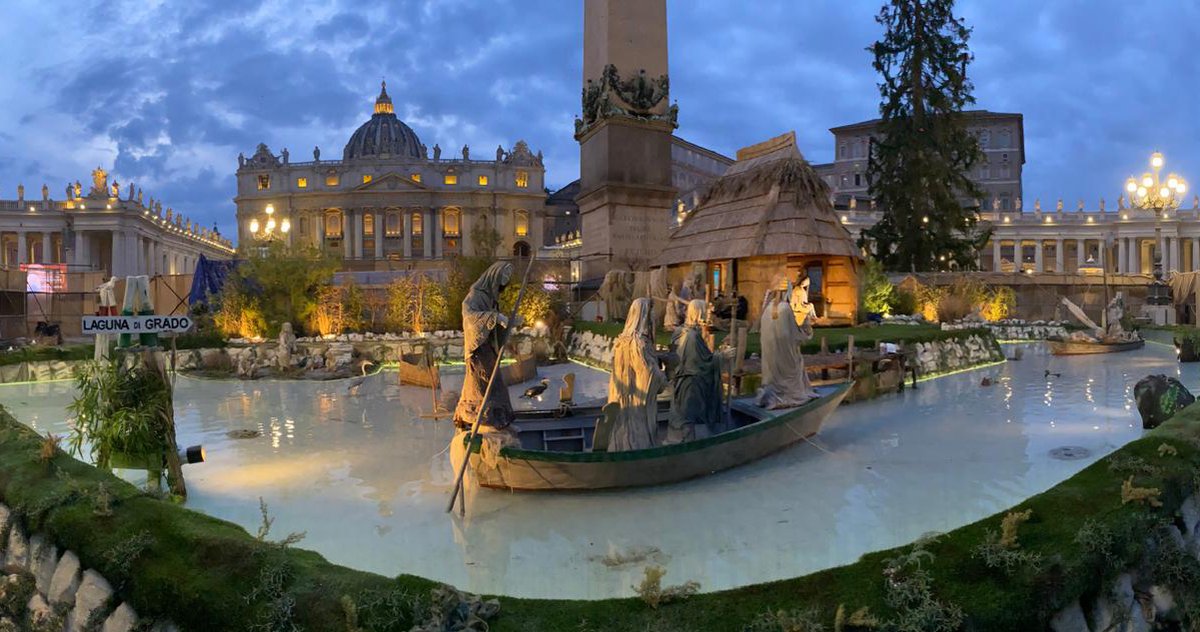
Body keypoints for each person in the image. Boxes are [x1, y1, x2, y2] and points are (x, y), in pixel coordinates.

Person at [454, 262, 521, 432]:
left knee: (495, 384)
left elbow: (494, 325)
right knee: (482, 385)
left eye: (507, 278)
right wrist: (495, 318)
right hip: (478, 352)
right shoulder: (475, 295)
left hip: (488, 349)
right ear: (493, 276)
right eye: (503, 277)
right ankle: (479, 418)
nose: (504, 282)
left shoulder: (491, 299)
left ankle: (498, 419)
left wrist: (507, 322)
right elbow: (469, 317)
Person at [607, 298, 666, 451]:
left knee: (623, 430)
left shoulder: (621, 341)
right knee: (636, 434)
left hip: (622, 400)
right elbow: (649, 377)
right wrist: (664, 377)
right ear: (645, 317)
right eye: (652, 315)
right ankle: (638, 451)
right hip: (637, 404)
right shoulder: (640, 344)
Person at [666, 300, 722, 444]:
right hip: (691, 384)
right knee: (689, 416)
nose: (707, 314)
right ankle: (688, 443)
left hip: (680, 383)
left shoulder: (679, 332)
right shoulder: (692, 337)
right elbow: (700, 364)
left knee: (682, 414)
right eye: (705, 311)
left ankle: (680, 438)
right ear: (698, 312)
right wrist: (721, 357)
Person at [755, 291, 818, 409]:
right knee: (798, 361)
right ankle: (791, 394)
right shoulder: (785, 308)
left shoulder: (767, 309)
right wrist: (806, 326)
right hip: (784, 355)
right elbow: (795, 335)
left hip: (770, 354)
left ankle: (771, 392)